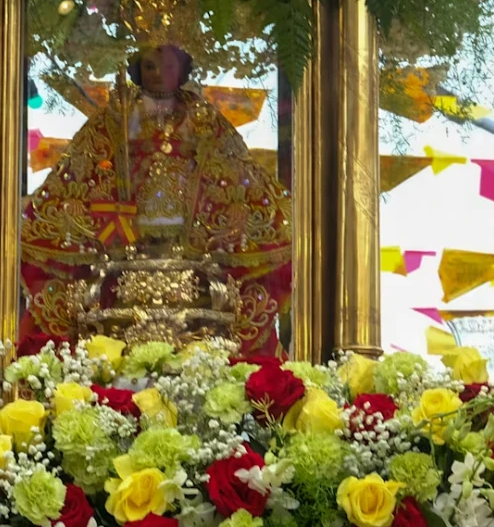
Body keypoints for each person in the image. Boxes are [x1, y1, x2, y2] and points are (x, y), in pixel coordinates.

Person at [19, 43, 291, 356]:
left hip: (192, 255)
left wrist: (228, 212)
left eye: (169, 67)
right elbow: (81, 173)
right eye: (150, 67)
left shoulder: (202, 119)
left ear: (183, 68)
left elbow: (233, 175)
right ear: (138, 69)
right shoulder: (117, 117)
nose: (160, 75)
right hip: (124, 253)